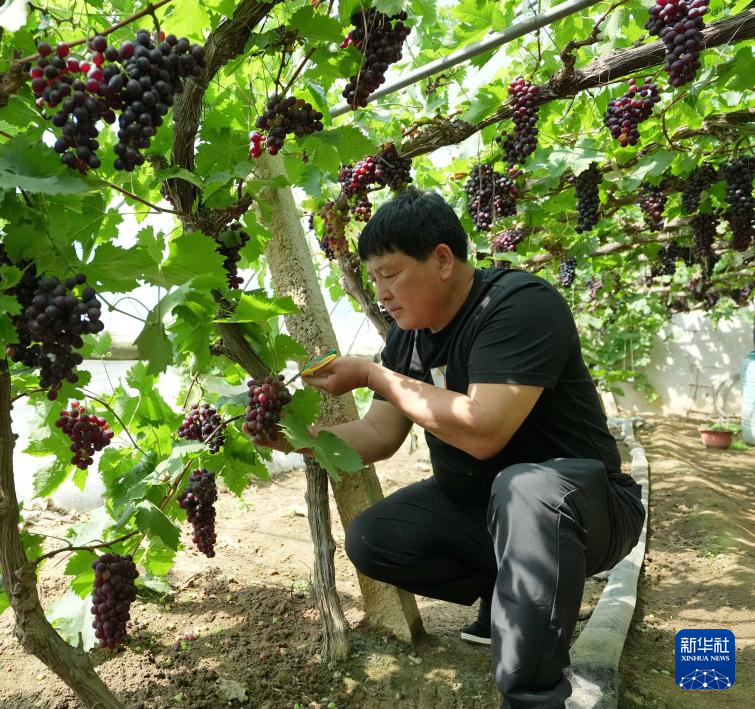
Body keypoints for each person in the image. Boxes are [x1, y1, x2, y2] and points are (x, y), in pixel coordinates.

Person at [247, 188, 646, 708]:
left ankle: (533, 697)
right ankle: (506, 596)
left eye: (391, 274)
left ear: (441, 259)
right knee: (375, 539)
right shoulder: (407, 340)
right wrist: (299, 440)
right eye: (374, 280)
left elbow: (484, 431)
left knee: (525, 487)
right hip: (486, 512)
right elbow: (376, 437)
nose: (382, 293)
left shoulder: (518, 305)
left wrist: (374, 374)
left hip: (583, 511)